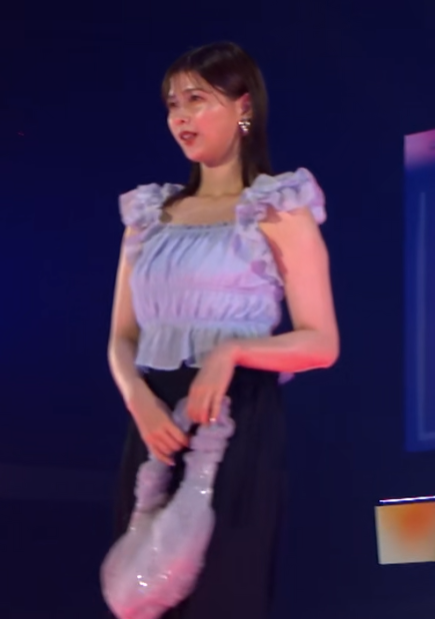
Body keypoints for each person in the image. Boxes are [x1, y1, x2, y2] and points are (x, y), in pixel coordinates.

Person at [106, 42, 340, 618]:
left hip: (236, 420)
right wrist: (138, 399)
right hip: (154, 423)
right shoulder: (150, 216)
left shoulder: (277, 209)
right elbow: (121, 337)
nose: (180, 116)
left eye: (196, 100)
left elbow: (322, 342)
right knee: (144, 592)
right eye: (172, 104)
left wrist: (231, 351)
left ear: (243, 107)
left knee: (222, 594)